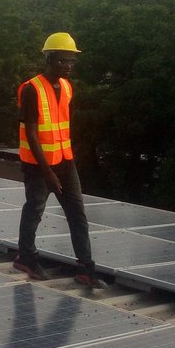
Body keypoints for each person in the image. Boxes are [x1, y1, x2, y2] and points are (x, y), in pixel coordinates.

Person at [12, 32, 105, 289]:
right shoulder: (32, 89)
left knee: (77, 212)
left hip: (65, 160)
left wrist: (62, 166)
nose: (68, 66)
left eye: (72, 61)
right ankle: (26, 257)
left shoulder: (66, 87)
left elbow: (62, 125)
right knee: (35, 209)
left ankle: (86, 267)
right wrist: (48, 173)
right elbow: (31, 132)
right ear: (50, 59)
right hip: (38, 164)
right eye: (64, 61)